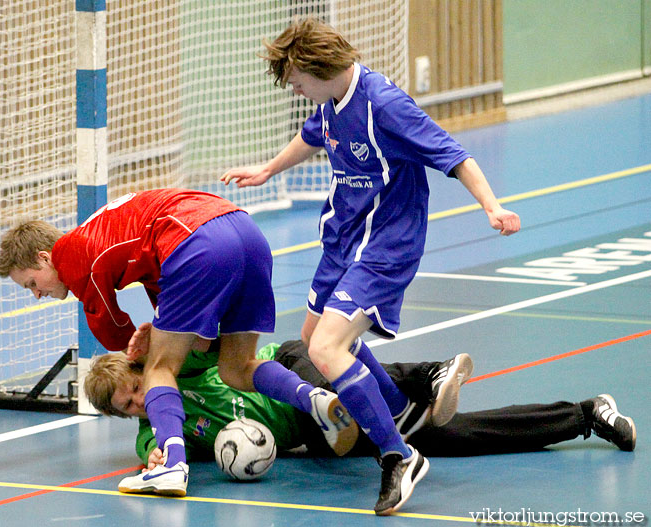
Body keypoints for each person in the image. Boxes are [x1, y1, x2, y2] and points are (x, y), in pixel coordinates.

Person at [221, 17, 521, 514]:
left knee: (327, 347)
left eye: (295, 78)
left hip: (385, 244)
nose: (292, 87)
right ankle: (402, 410)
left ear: (319, 67)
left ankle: (399, 455)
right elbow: (313, 135)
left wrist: (492, 206)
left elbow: (454, 155)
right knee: (315, 337)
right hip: (342, 239)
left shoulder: (384, 105)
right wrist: (269, 168)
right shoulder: (329, 101)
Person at [0, 188, 361, 497]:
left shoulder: (71, 254)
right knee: (236, 367)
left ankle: (171, 465)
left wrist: (136, 349)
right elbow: (168, 300)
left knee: (158, 369)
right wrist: (170, 334)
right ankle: (313, 398)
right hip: (243, 230)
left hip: (195, 240)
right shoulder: (108, 234)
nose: (37, 294)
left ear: (44, 258)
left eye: (31, 284)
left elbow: (108, 326)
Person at [85, 339, 636, 478]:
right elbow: (164, 460)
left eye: (133, 387)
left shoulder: (178, 368)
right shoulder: (152, 437)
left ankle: (426, 377)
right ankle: (587, 413)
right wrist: (157, 462)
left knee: (330, 372)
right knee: (449, 438)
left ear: (142, 371)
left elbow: (204, 338)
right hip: (310, 433)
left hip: (294, 366)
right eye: (125, 405)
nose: (137, 401)